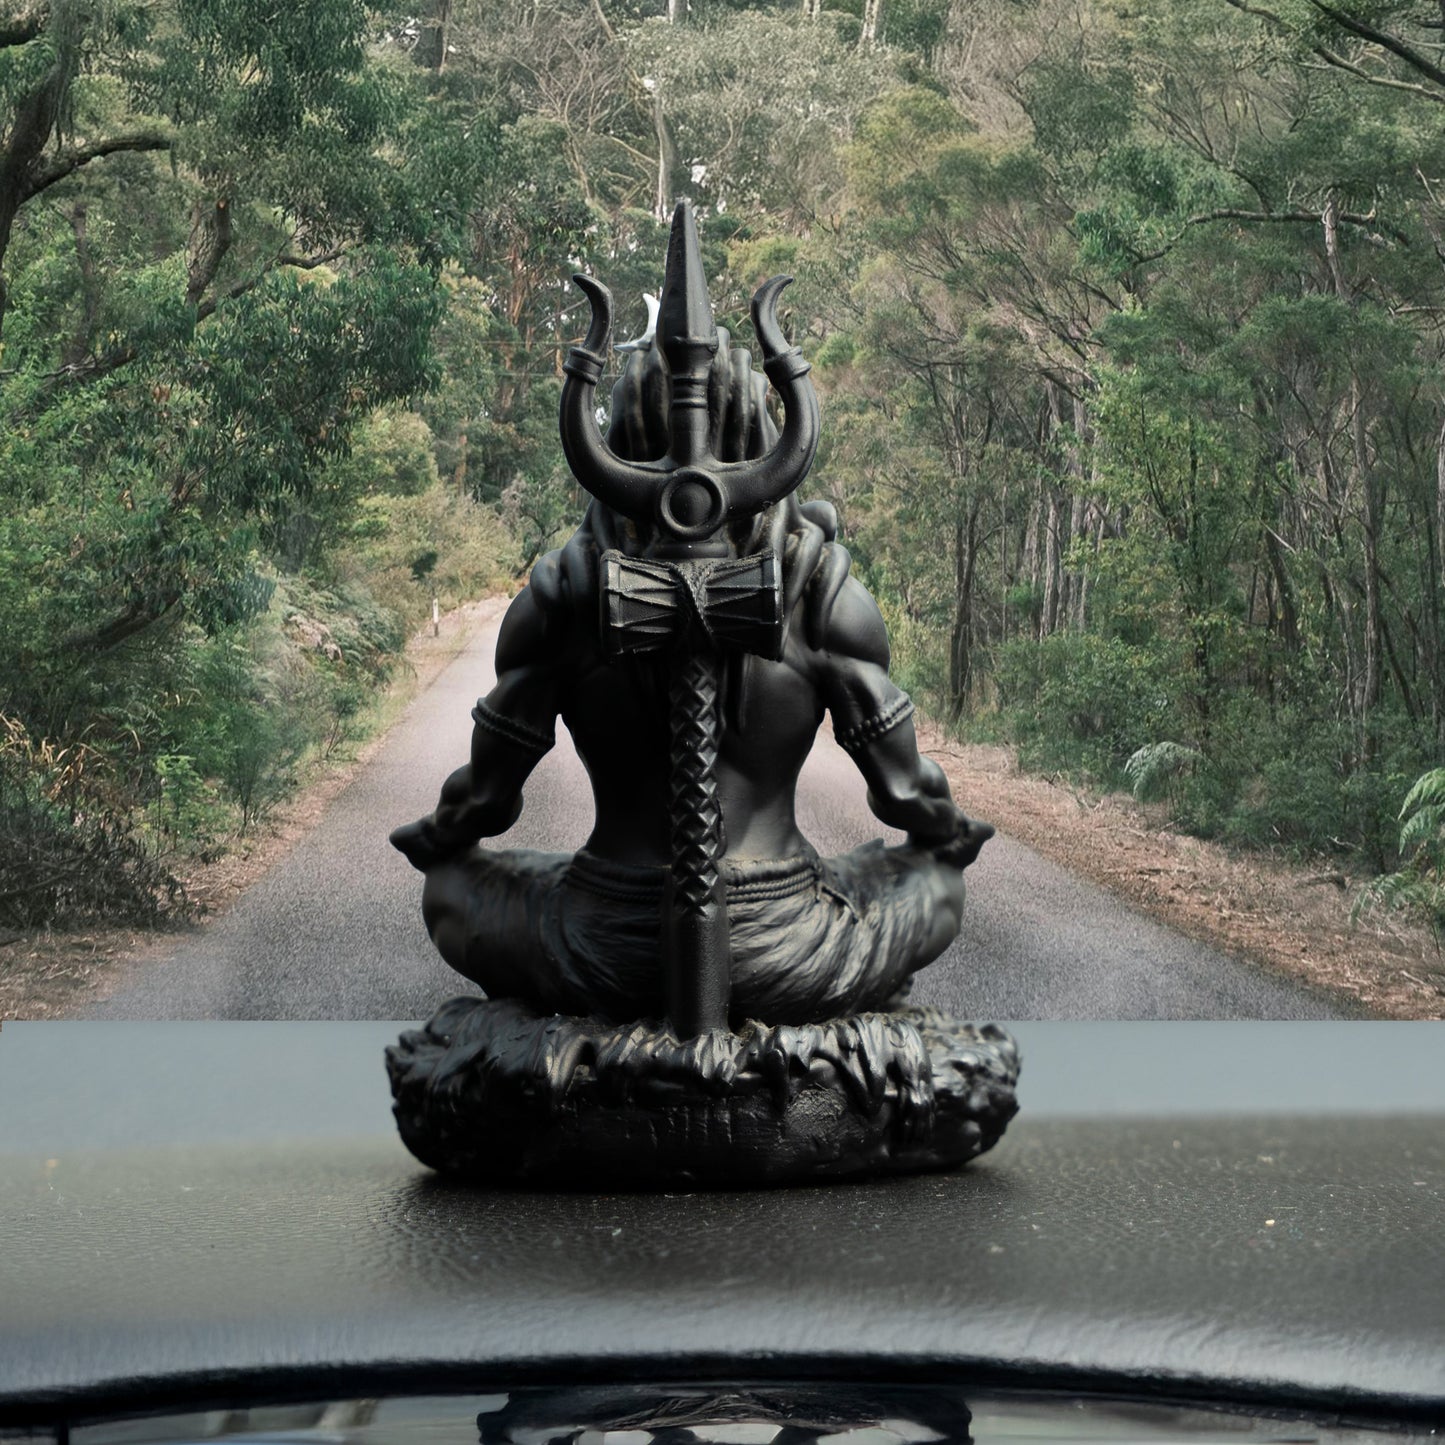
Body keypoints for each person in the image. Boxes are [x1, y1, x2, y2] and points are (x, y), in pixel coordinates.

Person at [391, 316, 992, 1030]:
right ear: (764, 441)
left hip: (600, 944)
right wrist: (948, 834)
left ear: (615, 451)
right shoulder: (823, 594)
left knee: (452, 889)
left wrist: (438, 838)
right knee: (935, 883)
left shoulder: (560, 597)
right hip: (790, 944)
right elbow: (905, 794)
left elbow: (484, 803)